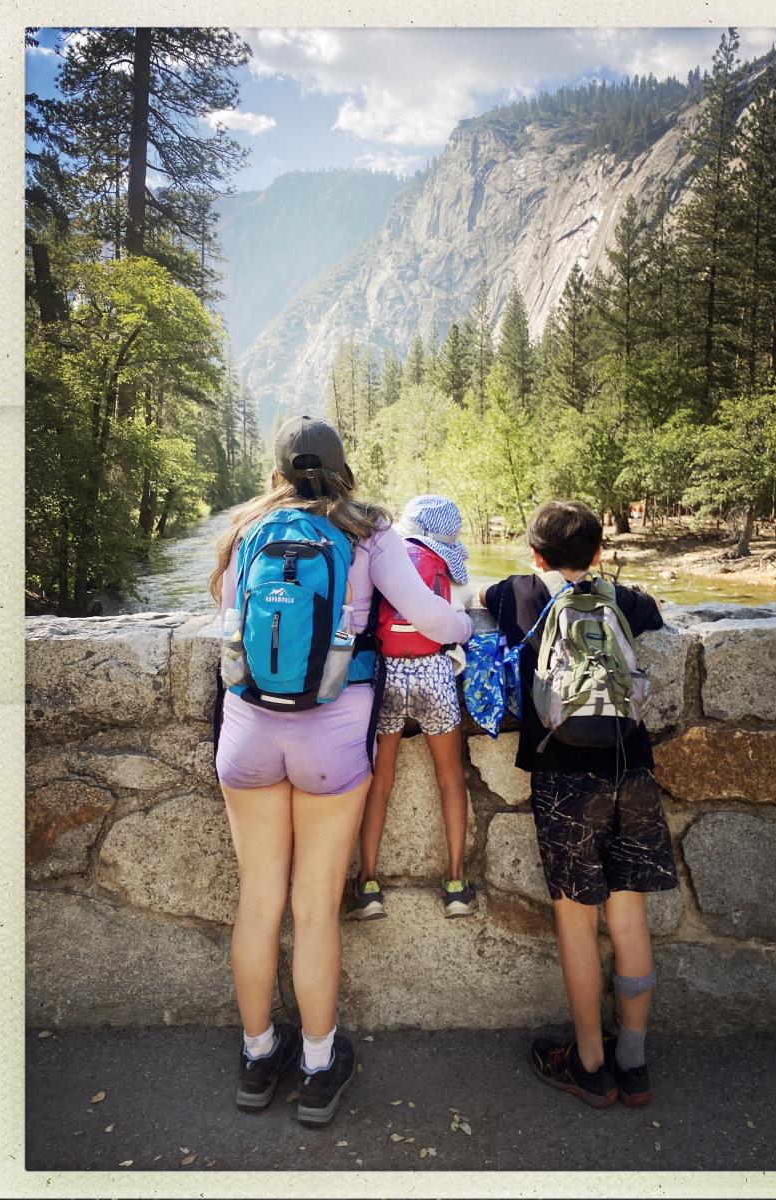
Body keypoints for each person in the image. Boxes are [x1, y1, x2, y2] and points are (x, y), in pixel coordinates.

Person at [209, 416, 472, 1126]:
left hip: (248, 731)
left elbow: (229, 619)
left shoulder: (246, 530)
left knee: (259, 903)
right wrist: (469, 627)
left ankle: (258, 1056)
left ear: (276, 468)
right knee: (315, 909)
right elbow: (431, 617)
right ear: (340, 463)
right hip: (330, 737)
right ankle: (319, 1071)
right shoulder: (369, 532)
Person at [479, 500, 677, 1110]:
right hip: (629, 765)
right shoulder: (626, 600)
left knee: (576, 919)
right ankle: (634, 1061)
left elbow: (481, 602)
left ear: (535, 555)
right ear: (598, 552)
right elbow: (656, 617)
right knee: (627, 918)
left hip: (564, 778)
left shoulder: (517, 595)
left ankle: (590, 1062)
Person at [349, 495, 476, 921]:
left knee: (380, 782)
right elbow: (463, 612)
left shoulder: (390, 556)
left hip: (388, 674)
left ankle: (368, 885)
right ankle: (456, 883)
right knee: (450, 779)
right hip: (434, 674)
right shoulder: (448, 568)